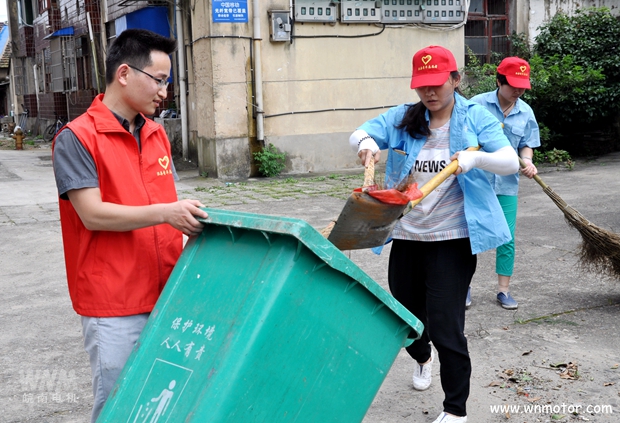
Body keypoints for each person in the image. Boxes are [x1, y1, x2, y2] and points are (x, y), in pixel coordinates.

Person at [349, 45, 518, 423]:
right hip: (408, 235)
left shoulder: (475, 117)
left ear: (455, 80)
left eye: (438, 84)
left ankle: (455, 410)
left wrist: (477, 158)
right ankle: (422, 357)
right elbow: (363, 132)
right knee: (406, 316)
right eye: (422, 85)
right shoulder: (406, 117)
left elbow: (509, 161)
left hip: (453, 239)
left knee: (446, 325)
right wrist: (367, 144)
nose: (430, 93)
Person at [51, 29, 208, 422]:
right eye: (159, 80)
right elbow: (92, 213)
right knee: (119, 406)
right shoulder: (77, 138)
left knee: (167, 399)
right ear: (124, 74)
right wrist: (167, 212)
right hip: (114, 303)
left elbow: (164, 207)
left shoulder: (156, 134)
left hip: (167, 294)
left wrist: (185, 225)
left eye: (168, 81)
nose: (165, 92)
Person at [469, 56, 540, 310]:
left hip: (508, 185)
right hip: (477, 182)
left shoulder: (525, 111)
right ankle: (464, 287)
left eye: (522, 86)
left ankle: (503, 290)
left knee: (507, 237)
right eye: (513, 85)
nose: (518, 91)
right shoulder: (476, 106)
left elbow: (526, 144)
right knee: (470, 234)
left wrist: (527, 161)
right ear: (499, 81)